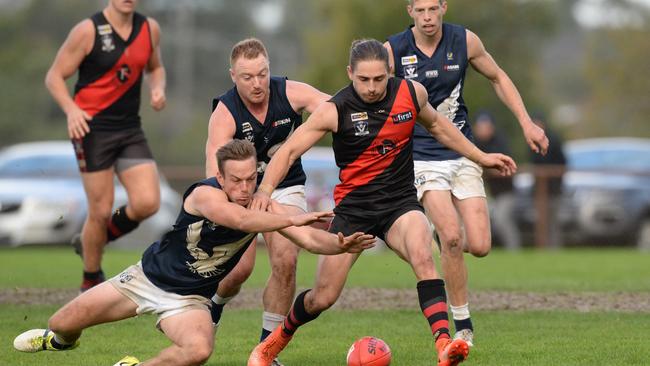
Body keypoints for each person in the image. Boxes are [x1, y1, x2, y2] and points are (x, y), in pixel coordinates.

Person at [247, 39, 516, 366]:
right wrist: (264, 190)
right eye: (364, 80)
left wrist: (481, 156)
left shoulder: (411, 93)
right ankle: (271, 345)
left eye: (379, 79)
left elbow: (439, 127)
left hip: (399, 204)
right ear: (350, 74)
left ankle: (444, 345)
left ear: (390, 71)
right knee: (323, 297)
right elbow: (289, 151)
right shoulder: (334, 109)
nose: (372, 87)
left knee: (423, 255)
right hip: (354, 211)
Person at [13, 140, 375, 366]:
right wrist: (295, 219)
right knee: (62, 322)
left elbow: (312, 241)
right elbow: (239, 219)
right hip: (144, 280)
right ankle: (59, 342)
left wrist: (340, 243)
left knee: (199, 350)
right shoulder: (203, 196)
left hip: (190, 301)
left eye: (251, 179)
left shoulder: (260, 205)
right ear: (220, 177)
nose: (245, 187)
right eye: (236, 180)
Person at [384, 0, 549, 346]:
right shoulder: (393, 51)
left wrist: (526, 123)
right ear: (409, 11)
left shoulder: (465, 41)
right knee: (452, 237)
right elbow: (369, 93)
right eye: (421, 10)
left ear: (444, 6)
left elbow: (498, 77)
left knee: (480, 244)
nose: (428, 17)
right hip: (421, 157)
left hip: (464, 152)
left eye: (434, 8)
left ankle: (428, 240)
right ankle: (462, 326)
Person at [204, 37, 330, 362]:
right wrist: (226, 208)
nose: (258, 83)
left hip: (286, 188)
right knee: (237, 272)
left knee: (286, 259)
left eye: (263, 73)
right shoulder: (225, 113)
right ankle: (213, 306)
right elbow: (212, 172)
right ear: (233, 76)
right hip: (240, 194)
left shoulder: (289, 92)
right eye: (248, 77)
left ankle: (266, 351)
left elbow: (334, 107)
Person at [44, 0, 167, 292]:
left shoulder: (149, 29)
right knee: (100, 210)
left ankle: (94, 239)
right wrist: (71, 110)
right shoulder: (87, 31)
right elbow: (54, 76)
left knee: (148, 202)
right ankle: (91, 279)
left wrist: (157, 88)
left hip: (129, 128)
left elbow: (156, 67)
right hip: (92, 129)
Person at [473, 112, 521, 250]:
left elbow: (503, 166)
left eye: (486, 126)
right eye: (480, 127)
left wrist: (486, 167)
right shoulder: (475, 143)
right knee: (486, 220)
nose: (483, 130)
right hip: (490, 192)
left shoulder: (499, 142)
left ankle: (514, 250)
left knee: (501, 219)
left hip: (506, 192)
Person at [530, 113, 567, 248]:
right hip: (539, 190)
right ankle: (542, 249)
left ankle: (555, 249)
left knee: (554, 222)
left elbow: (563, 163)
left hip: (554, 190)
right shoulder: (531, 141)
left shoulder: (554, 140)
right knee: (541, 222)